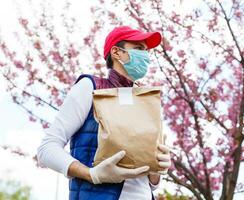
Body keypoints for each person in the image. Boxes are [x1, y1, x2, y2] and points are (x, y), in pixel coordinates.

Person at [37, 26, 171, 200]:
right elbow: (47, 149)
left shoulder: (145, 101)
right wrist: (92, 174)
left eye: (146, 51)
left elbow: (150, 183)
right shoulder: (90, 88)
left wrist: (156, 170)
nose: (145, 56)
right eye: (139, 49)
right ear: (116, 52)